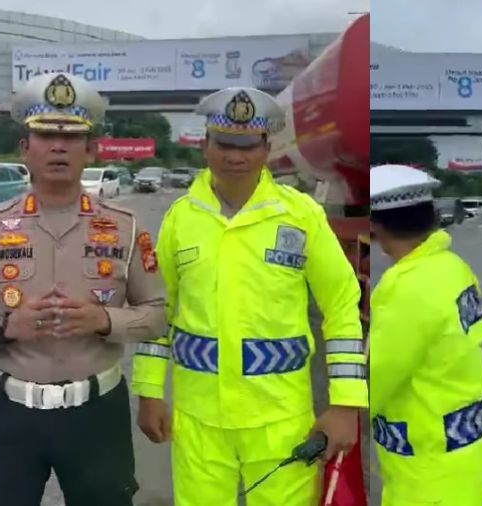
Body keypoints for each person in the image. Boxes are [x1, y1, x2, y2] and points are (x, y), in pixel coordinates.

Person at [0, 72, 167, 506]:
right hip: (7, 415)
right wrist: (5, 327)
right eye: (44, 135)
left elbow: (157, 314)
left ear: (91, 149)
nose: (58, 146)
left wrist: (104, 320)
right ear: (25, 148)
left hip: (97, 414)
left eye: (71, 136)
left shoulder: (126, 226)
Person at [132, 86, 367, 506]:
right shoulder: (181, 220)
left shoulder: (301, 215)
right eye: (224, 144)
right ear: (205, 146)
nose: (235, 157)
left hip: (280, 421)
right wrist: (149, 390)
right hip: (198, 421)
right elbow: (159, 310)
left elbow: (342, 304)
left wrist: (346, 403)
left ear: (266, 148)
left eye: (247, 145)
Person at [368, 164, 482, 506]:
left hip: (427, 470)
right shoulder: (453, 267)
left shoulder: (404, 287)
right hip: (465, 454)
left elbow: (373, 383)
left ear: (376, 226)